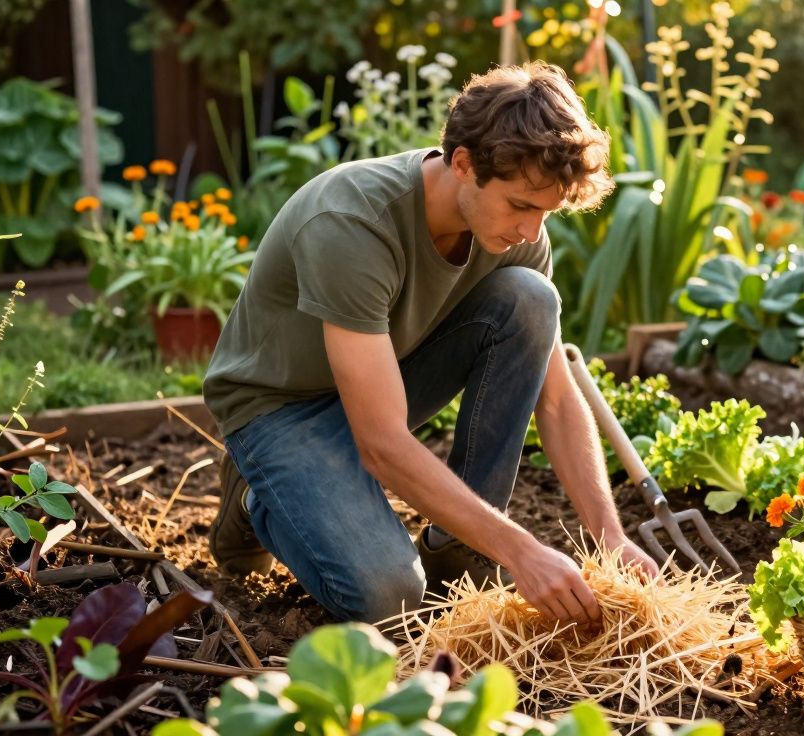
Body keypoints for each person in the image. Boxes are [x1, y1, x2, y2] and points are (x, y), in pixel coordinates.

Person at [202, 61, 659, 626]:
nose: (532, 232)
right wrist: (521, 550)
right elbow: (382, 445)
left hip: (382, 381)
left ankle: (460, 552)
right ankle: (257, 496)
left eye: (546, 212)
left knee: (530, 297)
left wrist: (608, 537)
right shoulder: (353, 221)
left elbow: (559, 399)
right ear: (463, 164)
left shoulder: (517, 235)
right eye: (520, 206)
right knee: (389, 597)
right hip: (280, 409)